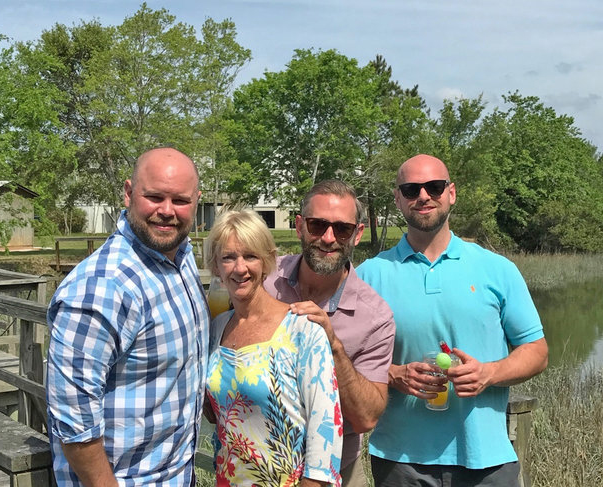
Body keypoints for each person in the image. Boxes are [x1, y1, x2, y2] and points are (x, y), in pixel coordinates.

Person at [357, 154, 548, 487]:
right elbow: (341, 358)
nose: (423, 196)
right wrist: (394, 373)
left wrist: (489, 373)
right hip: (399, 461)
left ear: (451, 193)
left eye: (434, 186)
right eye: (411, 189)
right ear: (398, 198)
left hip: (486, 459)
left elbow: (536, 351)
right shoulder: (370, 276)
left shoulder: (497, 269)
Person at [46, 147, 210, 486]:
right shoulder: (102, 287)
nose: (167, 211)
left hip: (179, 475)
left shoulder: (181, 257)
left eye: (180, 200)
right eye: (154, 197)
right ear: (128, 193)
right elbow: (75, 424)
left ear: (196, 202)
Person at [263, 179, 395, 486]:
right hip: (258, 463)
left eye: (342, 229)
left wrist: (333, 345)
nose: (328, 238)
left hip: (338, 473)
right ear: (299, 227)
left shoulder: (375, 317)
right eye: (317, 225)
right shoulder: (264, 280)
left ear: (358, 234)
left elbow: (366, 417)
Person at [204, 210, 343, 487]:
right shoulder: (216, 329)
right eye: (228, 257)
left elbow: (326, 426)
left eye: (250, 256)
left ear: (267, 261)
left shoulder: (302, 330)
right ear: (216, 267)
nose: (240, 268)